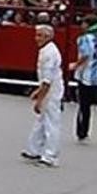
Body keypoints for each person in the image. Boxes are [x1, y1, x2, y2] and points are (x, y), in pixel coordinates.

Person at [23, 24, 63, 168]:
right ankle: (34, 149)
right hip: (49, 89)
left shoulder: (49, 53)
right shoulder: (47, 50)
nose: (37, 38)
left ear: (48, 37)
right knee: (42, 121)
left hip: (52, 91)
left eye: (40, 35)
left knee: (51, 123)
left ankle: (50, 156)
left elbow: (47, 80)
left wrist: (39, 99)